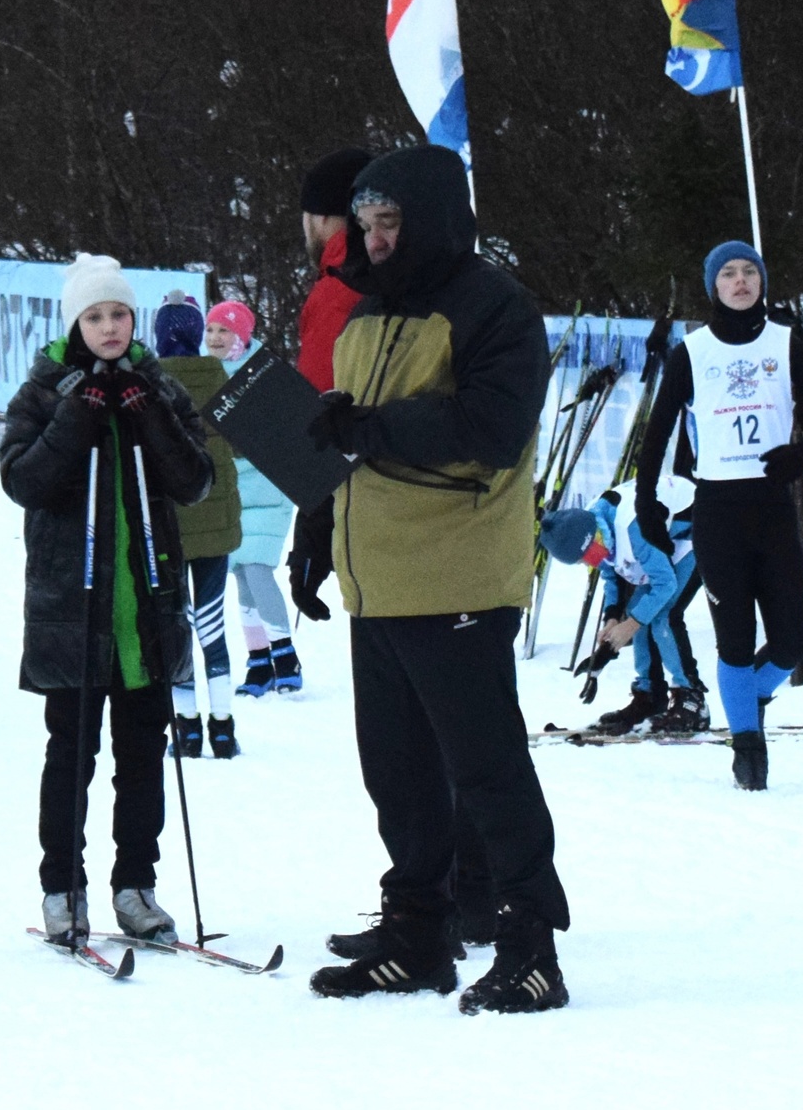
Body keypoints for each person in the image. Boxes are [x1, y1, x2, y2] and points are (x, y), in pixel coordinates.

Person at [300, 146, 571, 1012]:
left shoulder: (494, 308)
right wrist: (315, 527)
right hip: (376, 577)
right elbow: (340, 441)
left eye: (391, 225)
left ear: (435, 220)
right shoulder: (366, 317)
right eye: (367, 225)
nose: (376, 242)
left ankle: (530, 943)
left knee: (486, 769)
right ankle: (418, 931)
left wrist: (370, 430)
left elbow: (489, 426)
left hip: (455, 573)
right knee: (399, 772)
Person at [1, 255, 213, 946]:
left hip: (145, 608)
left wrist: (150, 416)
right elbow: (23, 482)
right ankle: (62, 887)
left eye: (119, 314)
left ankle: (136, 885)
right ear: (75, 324)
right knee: (71, 755)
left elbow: (195, 480)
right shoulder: (42, 390)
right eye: (95, 317)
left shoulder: (157, 385)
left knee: (143, 755)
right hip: (75, 607)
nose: (109, 327)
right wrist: (74, 419)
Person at [634, 240, 803, 789]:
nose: (739, 281)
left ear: (761, 282)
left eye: (748, 271)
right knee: (732, 636)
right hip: (717, 509)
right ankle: (748, 747)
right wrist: (647, 503)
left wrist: (801, 453)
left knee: (790, 641)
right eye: (727, 273)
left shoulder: (785, 343)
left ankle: (742, 703)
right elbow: (656, 435)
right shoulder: (694, 350)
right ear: (713, 287)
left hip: (772, 506)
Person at [149, 296, 243, 759]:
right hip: (216, 522)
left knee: (176, 628)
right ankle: (223, 727)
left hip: (166, 527)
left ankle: (186, 728)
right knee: (212, 626)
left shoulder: (148, 387)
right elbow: (251, 446)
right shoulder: (222, 381)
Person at [284, 146, 371, 641]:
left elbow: (324, 411)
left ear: (319, 218)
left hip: (369, 513)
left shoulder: (338, 291)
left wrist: (312, 532)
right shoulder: (398, 272)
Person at [543, 487, 706, 735]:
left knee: (663, 616)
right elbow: (612, 573)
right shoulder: (593, 527)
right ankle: (649, 696)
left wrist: (630, 625)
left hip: (696, 531)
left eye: (587, 556)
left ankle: (692, 700)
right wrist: (612, 618)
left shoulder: (631, 529)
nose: (589, 563)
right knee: (638, 610)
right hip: (664, 540)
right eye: (582, 562)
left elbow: (665, 585)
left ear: (593, 538)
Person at [203, 301, 303, 696]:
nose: (214, 338)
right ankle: (259, 661)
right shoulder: (203, 374)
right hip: (233, 493)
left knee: (259, 572)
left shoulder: (261, 374)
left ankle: (285, 655)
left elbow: (281, 431)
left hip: (268, 491)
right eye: (210, 330)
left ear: (241, 336)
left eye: (224, 331)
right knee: (243, 577)